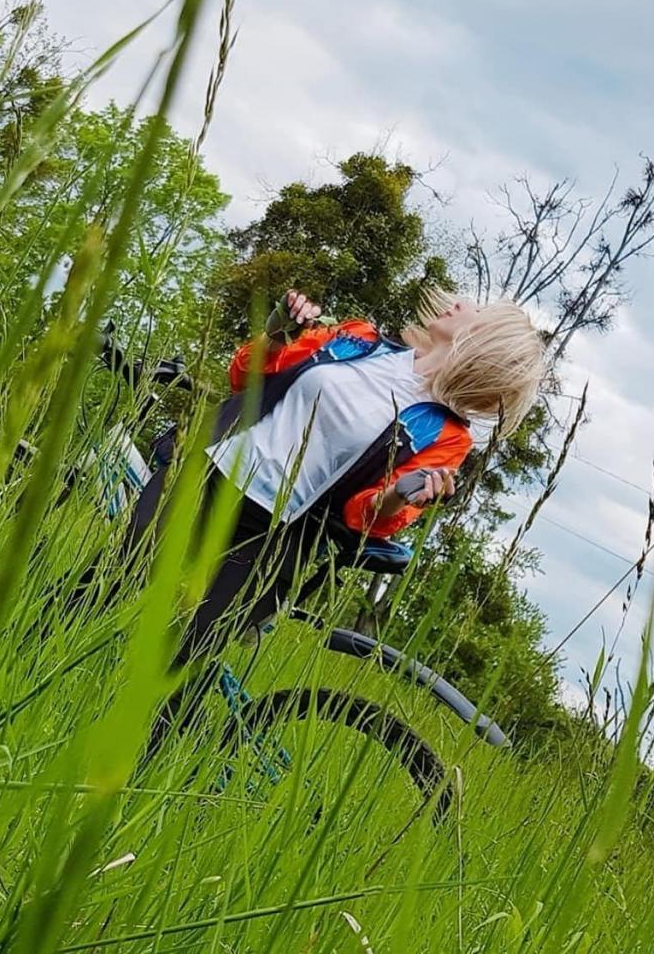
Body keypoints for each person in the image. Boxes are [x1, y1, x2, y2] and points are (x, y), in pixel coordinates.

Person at [131, 286, 547, 752]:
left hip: (272, 536)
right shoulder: (357, 339)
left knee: (181, 655)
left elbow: (368, 516)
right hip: (207, 475)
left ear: (483, 345)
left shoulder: (447, 436)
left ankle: (149, 761)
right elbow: (246, 375)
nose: (461, 303)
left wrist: (396, 496)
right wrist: (277, 334)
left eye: (478, 312)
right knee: (117, 584)